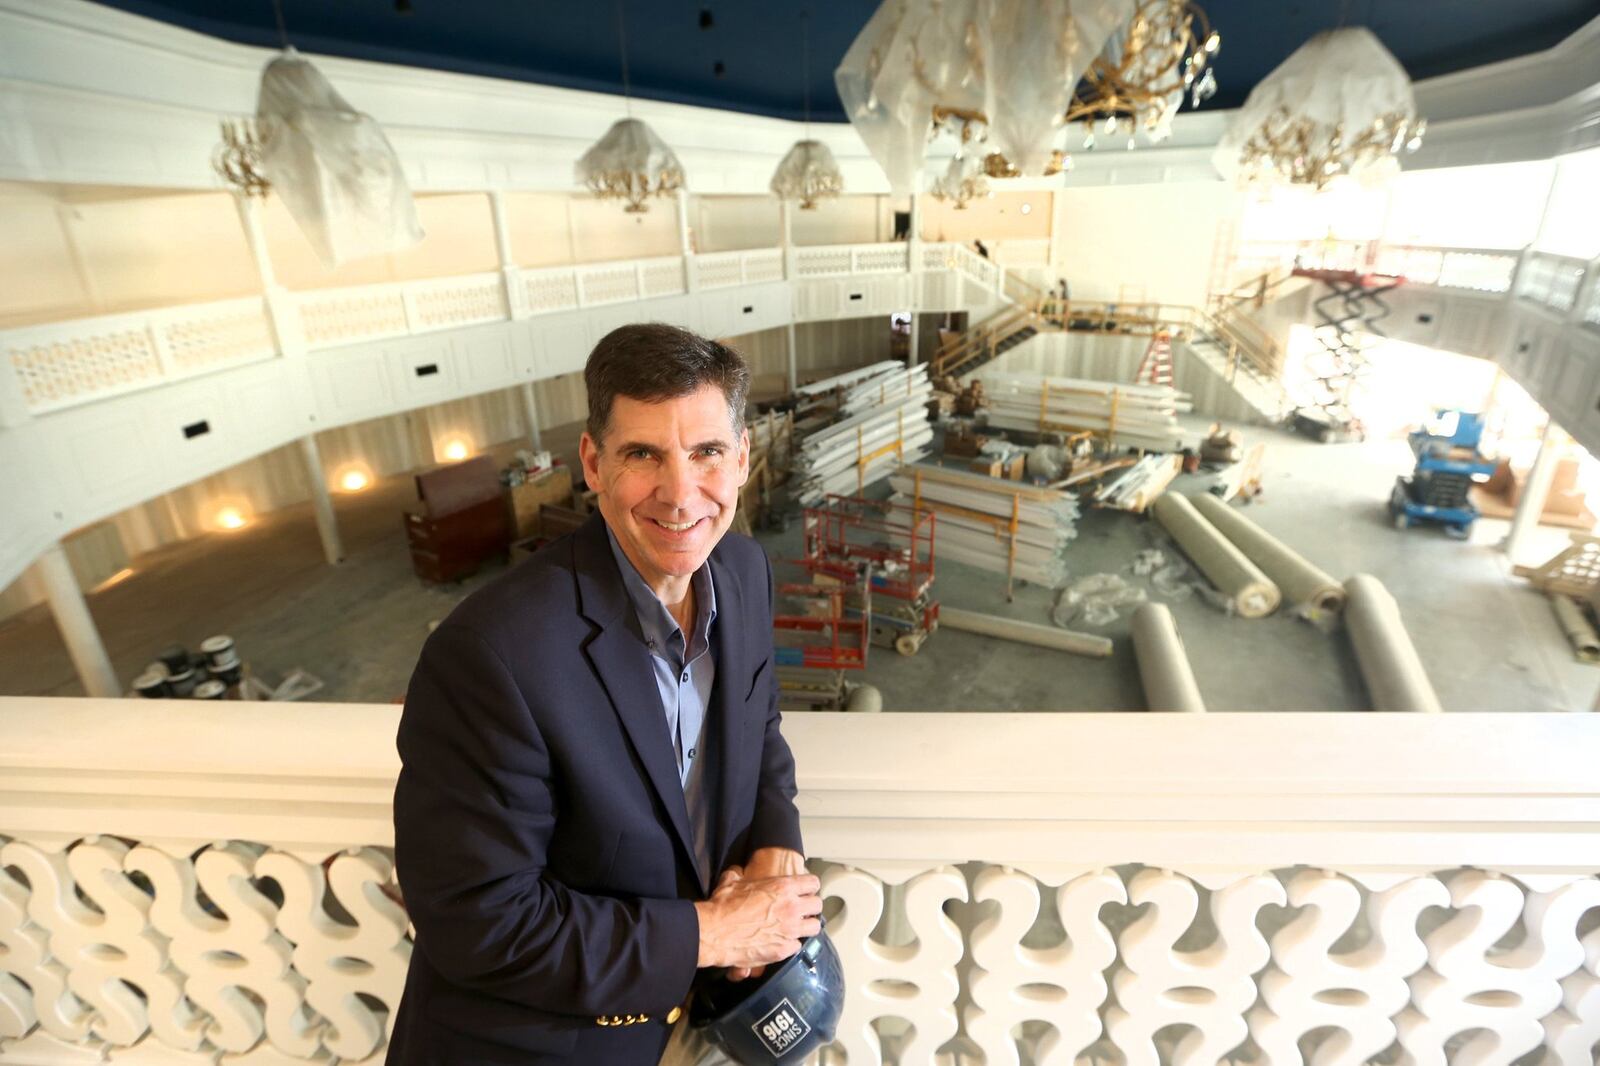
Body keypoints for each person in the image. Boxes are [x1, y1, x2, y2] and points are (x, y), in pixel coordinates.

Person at [386, 323, 822, 1066]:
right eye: (643, 455)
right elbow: (480, 923)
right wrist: (719, 932)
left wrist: (775, 842)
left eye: (706, 452)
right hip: (544, 1041)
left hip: (697, 1019)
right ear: (593, 463)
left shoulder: (744, 572)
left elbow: (760, 724)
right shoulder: (491, 654)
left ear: (742, 457)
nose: (680, 494)